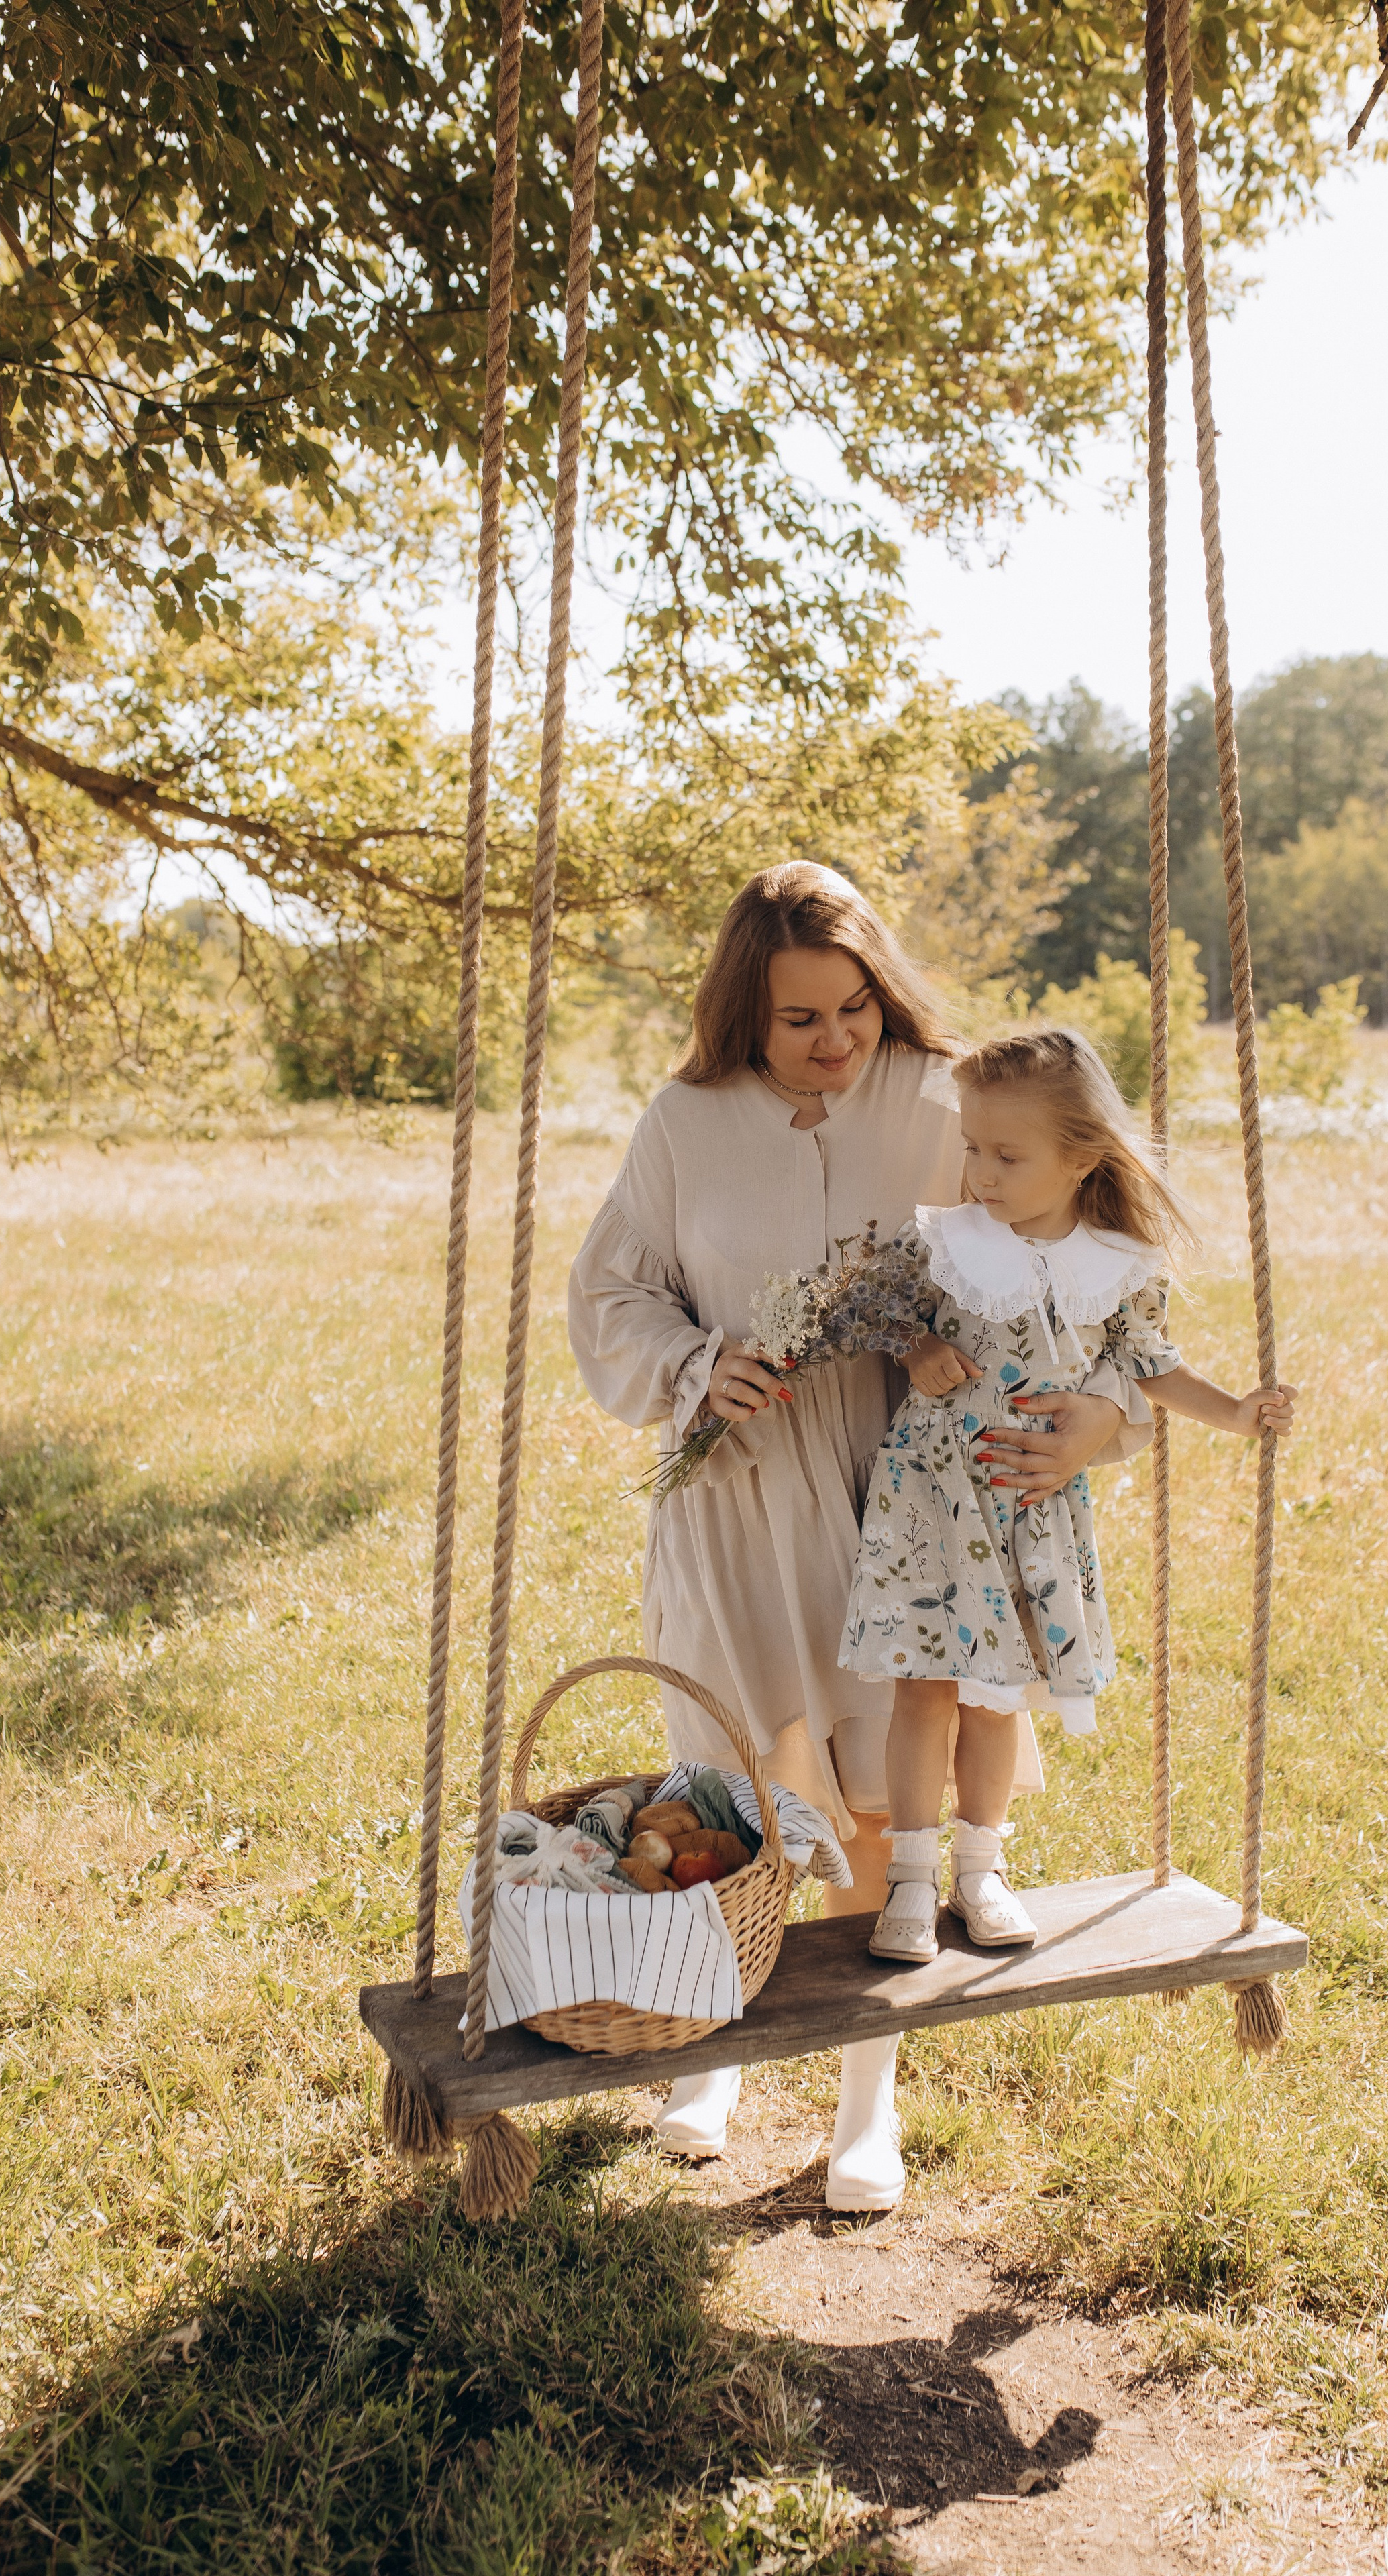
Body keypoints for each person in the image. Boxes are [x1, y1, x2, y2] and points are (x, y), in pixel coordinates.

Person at [567, 869, 1135, 2208]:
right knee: (732, 1780)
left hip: (905, 1490)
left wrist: (1094, 1415)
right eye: (797, 1021)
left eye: (853, 1010)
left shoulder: (943, 1098)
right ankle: (709, 2056)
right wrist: (697, 1364)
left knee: (886, 1795)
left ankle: (863, 2103)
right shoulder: (682, 1121)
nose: (832, 1042)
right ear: (741, 1019)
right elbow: (610, 1290)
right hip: (734, 1490)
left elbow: (1073, 1227)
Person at [837, 1026, 1298, 1966]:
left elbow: (1152, 1368)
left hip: (1025, 1508)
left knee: (997, 1696)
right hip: (936, 1503)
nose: (981, 1171)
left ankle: (982, 1869)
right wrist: (916, 1349)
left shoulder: (1119, 1262)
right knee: (925, 1692)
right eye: (973, 1146)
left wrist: (1239, 1414)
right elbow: (867, 1308)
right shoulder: (946, 1239)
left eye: (1007, 1155)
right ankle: (911, 1883)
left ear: (1081, 1156)